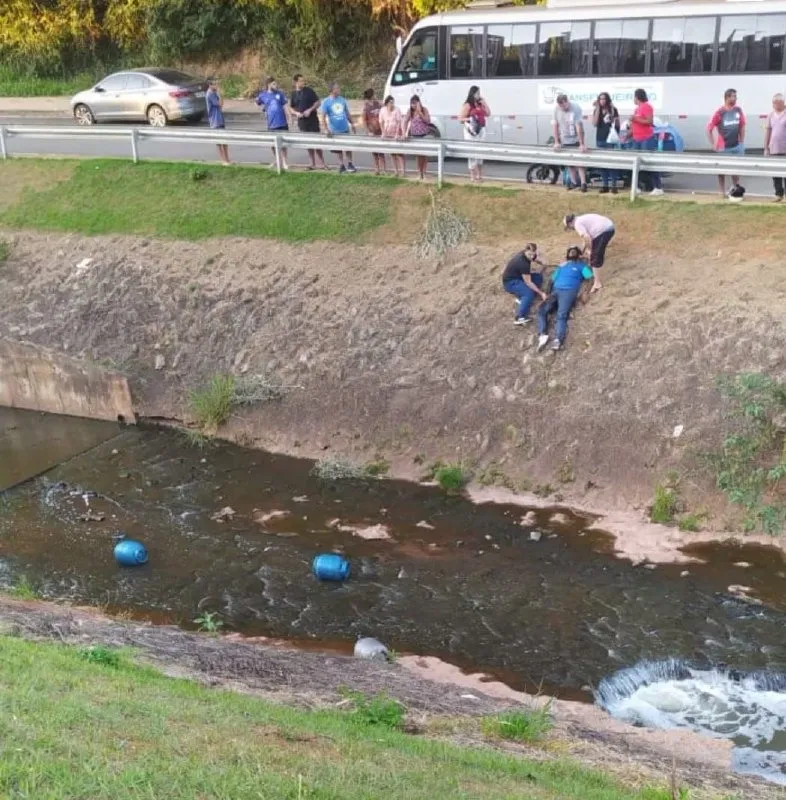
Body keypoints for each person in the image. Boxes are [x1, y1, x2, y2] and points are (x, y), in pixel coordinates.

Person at [536, 246, 593, 352]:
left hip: (568, 292)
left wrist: (585, 292)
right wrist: (547, 294)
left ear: (578, 255)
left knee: (561, 315)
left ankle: (558, 340)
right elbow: (551, 281)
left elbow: (590, 278)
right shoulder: (561, 266)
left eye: (574, 251)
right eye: (570, 251)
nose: (571, 252)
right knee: (541, 310)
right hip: (555, 291)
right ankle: (542, 334)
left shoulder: (581, 266)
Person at [707, 88, 746, 199]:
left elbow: (742, 126)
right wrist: (713, 143)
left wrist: (742, 141)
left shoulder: (738, 110)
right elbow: (709, 128)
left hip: (736, 145)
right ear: (727, 97)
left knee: (736, 169)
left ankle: (735, 189)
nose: (735, 99)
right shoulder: (720, 112)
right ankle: (722, 191)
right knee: (722, 170)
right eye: (733, 96)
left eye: (736, 96)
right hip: (723, 147)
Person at [563, 213, 614, 292]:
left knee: (595, 257)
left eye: (569, 227)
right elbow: (585, 240)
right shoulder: (580, 219)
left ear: (570, 223)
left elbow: (587, 237)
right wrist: (583, 252)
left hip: (603, 231)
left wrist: (591, 251)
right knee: (595, 251)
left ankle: (597, 283)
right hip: (609, 226)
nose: (571, 229)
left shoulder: (577, 224)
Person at [502, 243, 548, 326]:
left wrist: (542, 263)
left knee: (538, 277)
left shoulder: (525, 253)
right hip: (510, 283)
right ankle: (519, 317)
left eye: (533, 254)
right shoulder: (523, 263)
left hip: (519, 277)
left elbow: (534, 258)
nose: (531, 257)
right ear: (526, 251)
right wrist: (541, 293)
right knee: (529, 293)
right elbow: (528, 282)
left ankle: (523, 299)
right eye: (529, 254)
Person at [629, 89, 663, 196]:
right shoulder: (637, 109)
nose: (633, 99)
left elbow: (649, 121)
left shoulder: (646, 106)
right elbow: (635, 124)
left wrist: (635, 119)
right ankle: (637, 186)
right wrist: (628, 133)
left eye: (634, 97)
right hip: (636, 139)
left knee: (650, 162)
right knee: (636, 164)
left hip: (646, 138)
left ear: (637, 97)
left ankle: (657, 187)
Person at [552, 94, 587, 193]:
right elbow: (555, 125)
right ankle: (574, 182)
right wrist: (556, 141)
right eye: (561, 106)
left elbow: (578, 126)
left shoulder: (575, 108)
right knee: (570, 163)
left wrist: (581, 143)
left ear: (567, 102)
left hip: (575, 137)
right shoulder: (556, 110)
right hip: (565, 138)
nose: (563, 108)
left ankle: (583, 183)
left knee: (579, 163)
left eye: (564, 105)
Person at [290, 73, 326, 170]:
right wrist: (296, 113)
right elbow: (291, 108)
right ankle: (312, 163)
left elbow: (318, 102)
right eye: (301, 81)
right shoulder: (293, 94)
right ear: (296, 82)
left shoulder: (309, 91)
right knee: (308, 142)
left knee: (317, 142)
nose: (303, 82)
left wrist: (310, 110)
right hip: (302, 122)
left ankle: (322, 163)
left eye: (303, 80)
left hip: (312, 120)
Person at [320, 82, 357, 173]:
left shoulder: (342, 100)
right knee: (338, 149)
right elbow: (323, 117)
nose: (338, 89)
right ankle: (341, 165)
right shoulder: (326, 102)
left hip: (345, 128)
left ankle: (350, 164)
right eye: (336, 88)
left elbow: (347, 113)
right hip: (334, 130)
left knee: (348, 147)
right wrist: (326, 129)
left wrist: (352, 124)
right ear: (332, 90)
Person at [256, 76, 289, 170]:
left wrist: (289, 116)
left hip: (282, 122)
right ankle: (277, 160)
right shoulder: (263, 95)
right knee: (273, 145)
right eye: (274, 84)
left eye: (276, 83)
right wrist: (263, 110)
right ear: (269, 85)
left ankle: (285, 162)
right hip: (271, 124)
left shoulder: (280, 94)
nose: (276, 85)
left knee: (283, 144)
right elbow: (256, 103)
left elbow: (285, 105)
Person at [459, 85, 490, 183]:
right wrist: (470, 119)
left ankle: (479, 175)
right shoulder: (468, 105)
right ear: (472, 94)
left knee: (480, 153)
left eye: (479, 93)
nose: (478, 95)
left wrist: (484, 103)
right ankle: (472, 175)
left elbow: (488, 113)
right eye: (477, 93)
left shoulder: (480, 104)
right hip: (471, 131)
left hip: (481, 129)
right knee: (472, 152)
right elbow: (460, 119)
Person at [592, 92, 620, 195]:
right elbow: (594, 123)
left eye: (604, 99)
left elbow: (617, 124)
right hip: (600, 138)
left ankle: (614, 185)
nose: (602, 101)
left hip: (610, 139)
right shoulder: (597, 110)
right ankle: (605, 185)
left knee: (611, 162)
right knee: (602, 164)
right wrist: (598, 109)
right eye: (600, 99)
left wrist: (612, 116)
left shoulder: (613, 109)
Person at [405, 94, 432, 180]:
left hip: (424, 134)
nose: (413, 105)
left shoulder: (424, 110)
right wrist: (405, 132)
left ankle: (424, 172)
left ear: (419, 103)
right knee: (418, 155)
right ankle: (419, 172)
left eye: (415, 103)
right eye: (412, 103)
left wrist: (420, 113)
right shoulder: (410, 111)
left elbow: (428, 121)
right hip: (415, 135)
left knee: (424, 154)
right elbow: (405, 121)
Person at [765, 93, 786, 202]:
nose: (773, 105)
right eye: (773, 103)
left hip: (785, 148)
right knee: (776, 173)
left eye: (775, 103)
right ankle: (779, 194)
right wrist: (765, 147)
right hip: (773, 148)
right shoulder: (771, 115)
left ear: (781, 102)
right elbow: (768, 131)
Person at [205, 78, 230, 166]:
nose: (217, 86)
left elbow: (221, 105)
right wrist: (220, 95)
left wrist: (220, 96)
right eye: (215, 84)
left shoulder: (214, 93)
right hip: (215, 121)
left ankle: (227, 159)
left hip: (220, 118)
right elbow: (219, 104)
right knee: (219, 142)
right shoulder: (210, 94)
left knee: (225, 141)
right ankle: (223, 160)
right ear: (210, 85)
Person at [379, 95, 405, 177]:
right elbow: (381, 122)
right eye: (390, 102)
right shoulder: (383, 110)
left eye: (393, 102)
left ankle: (403, 172)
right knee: (392, 153)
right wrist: (383, 132)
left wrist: (398, 133)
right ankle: (396, 171)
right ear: (387, 103)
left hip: (396, 133)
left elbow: (399, 122)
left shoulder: (397, 110)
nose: (392, 104)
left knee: (399, 154)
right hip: (388, 134)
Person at [362, 88, 385, 175]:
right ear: (371, 95)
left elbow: (384, 107)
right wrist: (368, 131)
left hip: (380, 130)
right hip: (372, 131)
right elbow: (364, 120)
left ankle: (383, 169)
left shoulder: (377, 104)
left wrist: (378, 101)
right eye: (374, 94)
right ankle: (377, 169)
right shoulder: (366, 107)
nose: (375, 95)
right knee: (375, 152)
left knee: (382, 151)